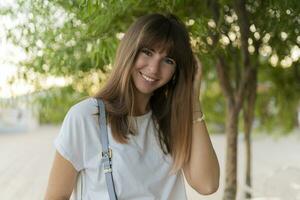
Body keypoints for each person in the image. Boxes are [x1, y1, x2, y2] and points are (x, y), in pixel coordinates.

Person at [45, 13, 220, 200]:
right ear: (130, 50)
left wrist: (192, 99)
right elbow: (56, 196)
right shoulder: (87, 117)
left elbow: (207, 184)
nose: (154, 68)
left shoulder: (171, 120)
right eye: (148, 52)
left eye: (168, 61)